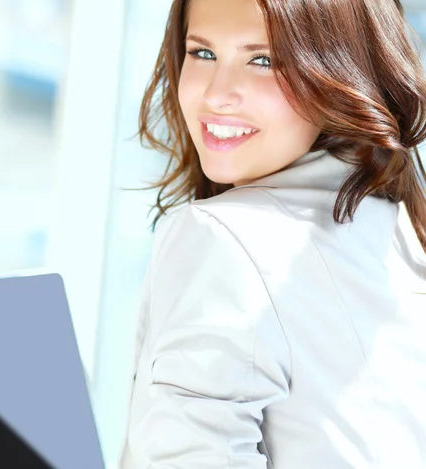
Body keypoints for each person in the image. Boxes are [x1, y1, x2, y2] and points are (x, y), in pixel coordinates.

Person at [118, 0, 426, 467]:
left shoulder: (224, 238)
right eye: (202, 53)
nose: (217, 95)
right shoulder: (399, 229)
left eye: (263, 60)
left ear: (338, 70)